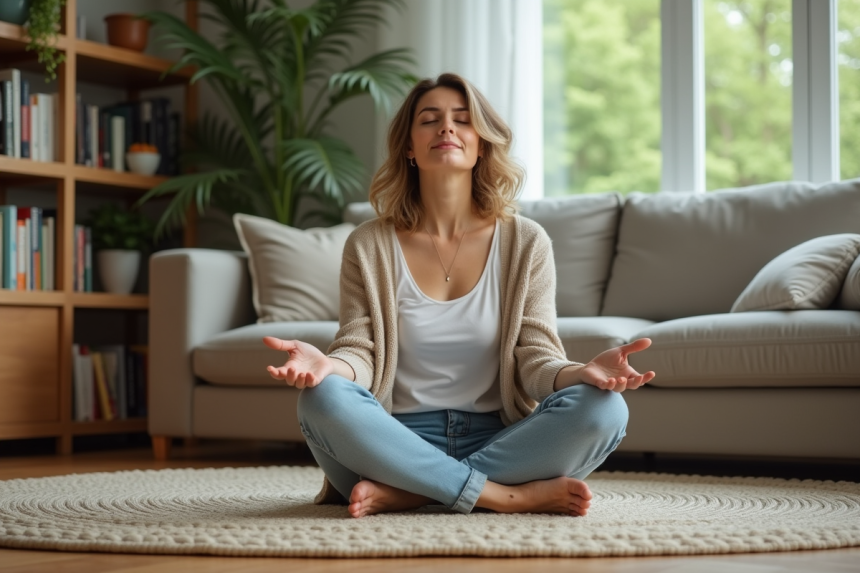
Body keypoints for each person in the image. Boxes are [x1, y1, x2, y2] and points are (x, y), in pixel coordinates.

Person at [263, 73, 656, 519]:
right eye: (430, 120)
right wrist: (329, 366)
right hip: (391, 443)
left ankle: (412, 493)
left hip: (497, 441)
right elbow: (360, 350)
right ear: (409, 146)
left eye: (463, 120)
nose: (446, 128)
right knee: (321, 398)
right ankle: (504, 495)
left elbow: (536, 358)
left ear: (481, 144)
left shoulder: (527, 242)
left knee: (605, 409)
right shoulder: (368, 244)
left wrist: (582, 373)